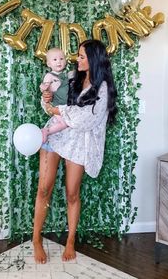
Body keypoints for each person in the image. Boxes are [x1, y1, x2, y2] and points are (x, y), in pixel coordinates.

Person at [33, 39, 117, 264]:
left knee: (72, 193)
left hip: (79, 143)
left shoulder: (103, 87)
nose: (76, 59)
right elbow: (51, 104)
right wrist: (46, 99)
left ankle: (70, 241)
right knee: (44, 189)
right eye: (77, 56)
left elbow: (88, 118)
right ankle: (36, 239)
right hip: (55, 135)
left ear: (94, 59)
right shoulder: (71, 77)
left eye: (81, 56)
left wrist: (59, 109)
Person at [40, 48, 71, 143]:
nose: (59, 62)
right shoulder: (49, 75)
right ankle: (47, 131)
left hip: (65, 105)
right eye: (55, 60)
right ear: (49, 64)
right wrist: (44, 87)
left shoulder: (66, 75)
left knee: (69, 123)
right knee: (64, 123)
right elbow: (44, 88)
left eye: (61, 59)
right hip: (56, 104)